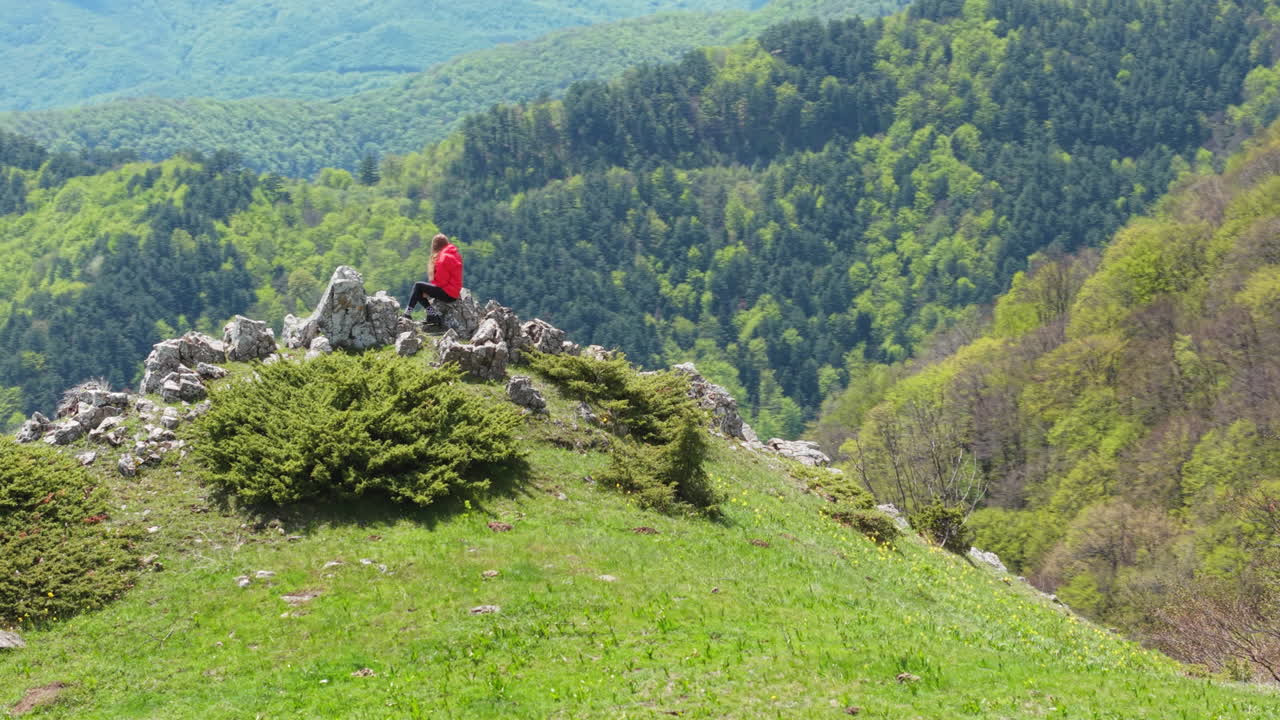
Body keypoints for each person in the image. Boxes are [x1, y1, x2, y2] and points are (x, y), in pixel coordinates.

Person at [404, 233, 462, 324]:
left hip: (448, 293)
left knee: (418, 286)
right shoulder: (454, 254)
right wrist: (430, 289)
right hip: (454, 292)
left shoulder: (443, 257)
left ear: (436, 245)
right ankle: (432, 315)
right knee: (419, 290)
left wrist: (429, 291)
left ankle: (407, 314)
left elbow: (442, 281)